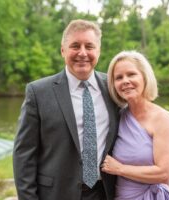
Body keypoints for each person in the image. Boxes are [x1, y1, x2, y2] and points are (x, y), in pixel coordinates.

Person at [13, 19, 119, 200]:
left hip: (104, 193)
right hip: (55, 194)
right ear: (63, 50)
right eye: (75, 46)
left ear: (98, 51)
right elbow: (24, 155)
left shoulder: (113, 88)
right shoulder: (38, 93)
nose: (82, 53)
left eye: (89, 46)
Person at [101, 50, 169, 200]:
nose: (125, 81)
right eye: (118, 77)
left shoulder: (163, 119)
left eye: (131, 74)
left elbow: (165, 174)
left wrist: (120, 169)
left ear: (144, 77)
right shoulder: (118, 117)